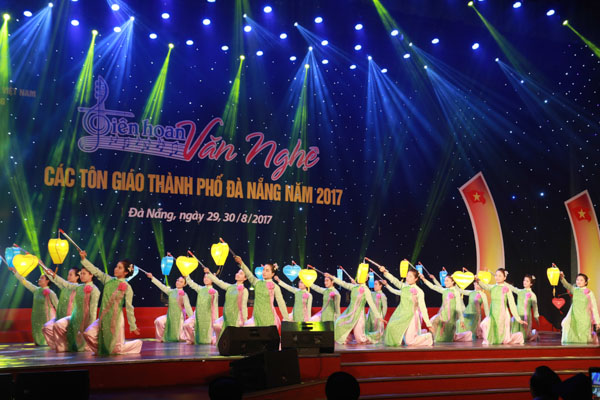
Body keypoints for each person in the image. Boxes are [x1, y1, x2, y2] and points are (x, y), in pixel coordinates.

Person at [79, 250, 142, 355]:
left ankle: (137, 344)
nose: (116, 269)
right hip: (103, 317)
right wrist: (83, 259)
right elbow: (95, 271)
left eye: (119, 268)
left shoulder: (127, 287)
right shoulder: (108, 280)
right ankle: (103, 350)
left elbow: (129, 308)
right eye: (116, 266)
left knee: (117, 349)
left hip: (116, 320)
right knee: (88, 334)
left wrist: (133, 326)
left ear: (126, 272)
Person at [379, 266, 433, 346]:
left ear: (416, 279)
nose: (407, 278)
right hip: (402, 314)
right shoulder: (404, 286)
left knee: (409, 342)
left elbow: (423, 308)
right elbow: (395, 280)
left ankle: (428, 337)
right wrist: (385, 272)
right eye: (407, 276)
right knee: (391, 325)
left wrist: (428, 324)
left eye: (410, 276)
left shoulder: (419, 291)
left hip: (411, 316)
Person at [325, 271, 383, 344]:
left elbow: (372, 304)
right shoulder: (354, 287)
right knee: (338, 323)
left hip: (359, 316)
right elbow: (342, 283)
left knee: (360, 339)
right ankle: (345, 339)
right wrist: (331, 276)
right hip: (350, 313)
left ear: (366, 279)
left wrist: (378, 316)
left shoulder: (366, 290)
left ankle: (374, 338)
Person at [52, 266, 100, 352]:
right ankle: (62, 347)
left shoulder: (95, 290)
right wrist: (52, 274)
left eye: (84, 274)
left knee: (81, 345)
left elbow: (93, 310)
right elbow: (65, 283)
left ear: (91, 275)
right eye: (81, 273)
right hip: (74, 317)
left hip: (85, 319)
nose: (81, 275)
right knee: (58, 325)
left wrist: (91, 326)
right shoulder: (79, 287)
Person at [236, 256, 290, 330]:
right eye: (263, 270)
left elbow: (281, 303)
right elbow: (249, 274)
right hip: (256, 317)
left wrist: (287, 319)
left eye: (267, 270)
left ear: (272, 274)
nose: (264, 272)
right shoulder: (257, 282)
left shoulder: (275, 287)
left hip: (269, 318)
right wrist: (241, 263)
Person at [8, 267, 58, 346]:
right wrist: (16, 273)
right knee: (38, 340)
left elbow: (57, 305)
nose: (39, 279)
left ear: (47, 281)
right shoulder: (36, 290)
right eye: (39, 278)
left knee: (47, 339)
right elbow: (25, 282)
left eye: (42, 278)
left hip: (47, 318)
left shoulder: (51, 293)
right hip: (36, 318)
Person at [477, 268, 526, 345]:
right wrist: (478, 280)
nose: (497, 277)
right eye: (496, 275)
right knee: (484, 324)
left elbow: (512, 304)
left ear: (504, 278)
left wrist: (518, 318)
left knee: (505, 340)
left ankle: (519, 336)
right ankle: (488, 340)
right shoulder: (492, 287)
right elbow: (485, 286)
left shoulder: (506, 289)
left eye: (500, 276)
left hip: (503, 315)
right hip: (493, 314)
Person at [420, 273, 472, 342]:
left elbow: (458, 306)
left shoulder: (456, 292)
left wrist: (461, 320)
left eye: (447, 281)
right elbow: (433, 287)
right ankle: (435, 337)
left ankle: (467, 335)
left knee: (448, 335)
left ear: (453, 282)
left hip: (451, 316)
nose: (445, 282)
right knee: (434, 322)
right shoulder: (445, 290)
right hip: (443, 314)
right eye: (445, 281)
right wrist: (423, 279)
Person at [202, 266, 248, 340]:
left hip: (237, 316)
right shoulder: (230, 287)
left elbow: (243, 306)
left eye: (241, 274)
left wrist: (244, 320)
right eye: (238, 272)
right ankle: (219, 341)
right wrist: (209, 273)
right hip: (226, 315)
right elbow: (219, 282)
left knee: (234, 336)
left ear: (245, 278)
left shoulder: (244, 290)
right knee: (216, 325)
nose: (238, 274)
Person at [146, 273, 193, 342]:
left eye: (181, 282)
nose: (178, 282)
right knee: (158, 321)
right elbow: (161, 286)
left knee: (180, 338)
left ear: (184, 284)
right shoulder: (171, 291)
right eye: (178, 280)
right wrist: (152, 277)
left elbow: (188, 307)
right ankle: (160, 338)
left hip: (179, 318)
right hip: (169, 316)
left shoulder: (184, 294)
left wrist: (192, 319)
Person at [42, 267, 80, 350]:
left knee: (60, 327)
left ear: (77, 277)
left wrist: (53, 274)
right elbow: (56, 281)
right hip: (60, 315)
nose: (68, 276)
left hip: (71, 316)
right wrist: (44, 267)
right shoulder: (65, 287)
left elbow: (62, 282)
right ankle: (58, 346)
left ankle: (63, 347)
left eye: (71, 275)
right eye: (68, 274)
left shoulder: (78, 287)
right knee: (46, 327)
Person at [559, 271, 600, 344]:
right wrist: (562, 277)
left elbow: (594, 308)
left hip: (584, 318)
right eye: (577, 280)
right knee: (568, 328)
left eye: (581, 280)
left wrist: (597, 322)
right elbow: (567, 285)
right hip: (574, 317)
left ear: (586, 282)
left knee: (582, 339)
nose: (579, 281)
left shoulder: (589, 292)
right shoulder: (575, 290)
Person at [183, 272, 219, 345]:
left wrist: (216, 319)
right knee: (186, 324)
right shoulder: (200, 289)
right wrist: (187, 276)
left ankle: (211, 339)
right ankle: (191, 339)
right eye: (204, 277)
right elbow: (191, 283)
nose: (206, 279)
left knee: (207, 336)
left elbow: (215, 306)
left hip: (208, 316)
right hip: (197, 315)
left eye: (208, 277)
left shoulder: (214, 291)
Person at [507, 274, 540, 341]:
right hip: (518, 316)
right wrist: (503, 282)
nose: (524, 282)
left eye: (527, 281)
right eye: (524, 280)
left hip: (526, 317)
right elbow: (512, 288)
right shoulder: (520, 291)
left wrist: (536, 318)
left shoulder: (532, 295)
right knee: (515, 335)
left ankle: (534, 333)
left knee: (525, 337)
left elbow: (535, 308)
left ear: (531, 284)